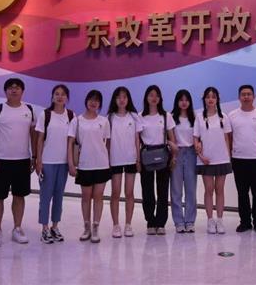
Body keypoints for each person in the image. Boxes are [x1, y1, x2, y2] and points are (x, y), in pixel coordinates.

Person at [0, 78, 37, 247]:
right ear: (5, 91)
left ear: (22, 91)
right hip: (1, 161)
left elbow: (33, 135)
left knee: (19, 196)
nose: (14, 90)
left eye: (17, 88)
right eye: (10, 88)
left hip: (22, 160)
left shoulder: (29, 110)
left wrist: (34, 156)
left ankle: (17, 228)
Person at [68, 90, 111, 243]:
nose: (94, 103)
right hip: (84, 165)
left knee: (98, 196)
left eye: (97, 100)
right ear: (86, 101)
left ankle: (95, 227)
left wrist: (109, 161)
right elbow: (70, 143)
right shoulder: (77, 121)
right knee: (86, 196)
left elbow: (108, 143)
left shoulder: (104, 121)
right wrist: (71, 164)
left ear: (100, 104)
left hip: (101, 164)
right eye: (91, 99)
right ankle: (86, 227)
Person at [228, 84, 256, 233]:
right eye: (243, 94)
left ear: (254, 96)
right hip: (238, 159)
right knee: (242, 193)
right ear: (239, 97)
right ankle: (245, 222)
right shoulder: (232, 115)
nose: (246, 97)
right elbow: (229, 138)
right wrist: (229, 156)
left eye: (249, 94)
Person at [35, 84, 74, 244]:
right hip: (48, 162)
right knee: (46, 196)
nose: (59, 97)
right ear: (52, 97)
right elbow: (39, 139)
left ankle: (55, 226)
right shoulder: (45, 115)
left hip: (63, 163)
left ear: (67, 98)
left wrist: (71, 163)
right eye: (57, 94)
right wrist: (38, 160)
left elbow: (72, 141)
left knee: (59, 196)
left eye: (63, 94)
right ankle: (44, 228)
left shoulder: (71, 115)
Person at [137, 85, 177, 235]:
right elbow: (137, 140)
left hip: (163, 155)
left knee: (163, 190)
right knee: (147, 190)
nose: (154, 98)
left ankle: (161, 223)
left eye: (157, 95)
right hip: (146, 154)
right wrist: (138, 160)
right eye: (151, 95)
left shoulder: (166, 116)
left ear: (160, 98)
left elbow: (172, 138)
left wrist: (174, 157)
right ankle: (150, 221)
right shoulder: (140, 116)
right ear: (146, 98)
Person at [193, 87, 232, 234]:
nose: (210, 99)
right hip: (206, 160)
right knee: (209, 190)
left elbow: (227, 138)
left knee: (220, 190)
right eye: (208, 97)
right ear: (204, 99)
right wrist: (201, 156)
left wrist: (228, 157)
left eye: (213, 97)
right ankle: (210, 220)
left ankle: (220, 220)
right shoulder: (199, 117)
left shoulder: (224, 117)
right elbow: (195, 139)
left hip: (221, 159)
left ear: (217, 100)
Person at [107, 86, 141, 238]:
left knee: (129, 193)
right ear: (115, 99)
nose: (121, 100)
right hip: (114, 159)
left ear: (128, 99)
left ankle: (128, 224)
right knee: (115, 193)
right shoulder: (109, 117)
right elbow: (107, 141)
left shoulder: (134, 116)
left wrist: (138, 159)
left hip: (130, 159)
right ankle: (116, 225)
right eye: (119, 97)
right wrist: (107, 159)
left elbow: (137, 139)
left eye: (124, 97)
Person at [170, 89, 197, 234]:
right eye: (181, 99)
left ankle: (190, 221)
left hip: (191, 153)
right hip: (177, 153)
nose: (184, 102)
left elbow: (199, 137)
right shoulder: (171, 117)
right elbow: (166, 137)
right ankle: (179, 222)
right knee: (176, 189)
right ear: (177, 102)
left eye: (187, 100)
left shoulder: (195, 118)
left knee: (191, 189)